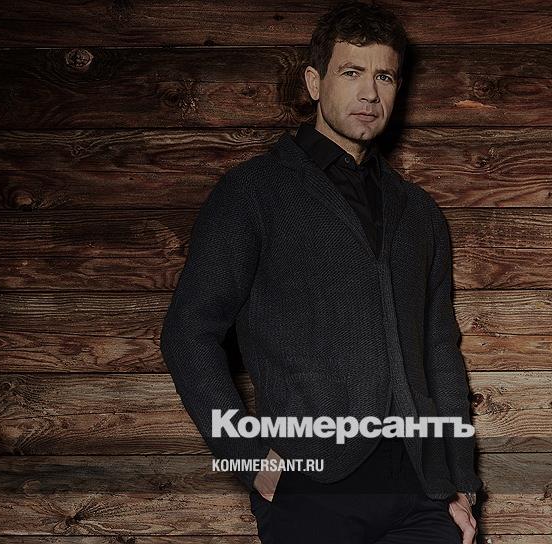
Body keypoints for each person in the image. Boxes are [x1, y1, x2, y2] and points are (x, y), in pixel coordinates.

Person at [159, 2, 481, 542]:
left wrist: (460, 484)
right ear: (314, 82)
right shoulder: (253, 193)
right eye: (351, 72)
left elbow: (439, 353)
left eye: (384, 76)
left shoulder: (419, 212)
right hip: (310, 486)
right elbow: (187, 332)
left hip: (423, 491)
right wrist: (248, 457)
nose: (369, 93)